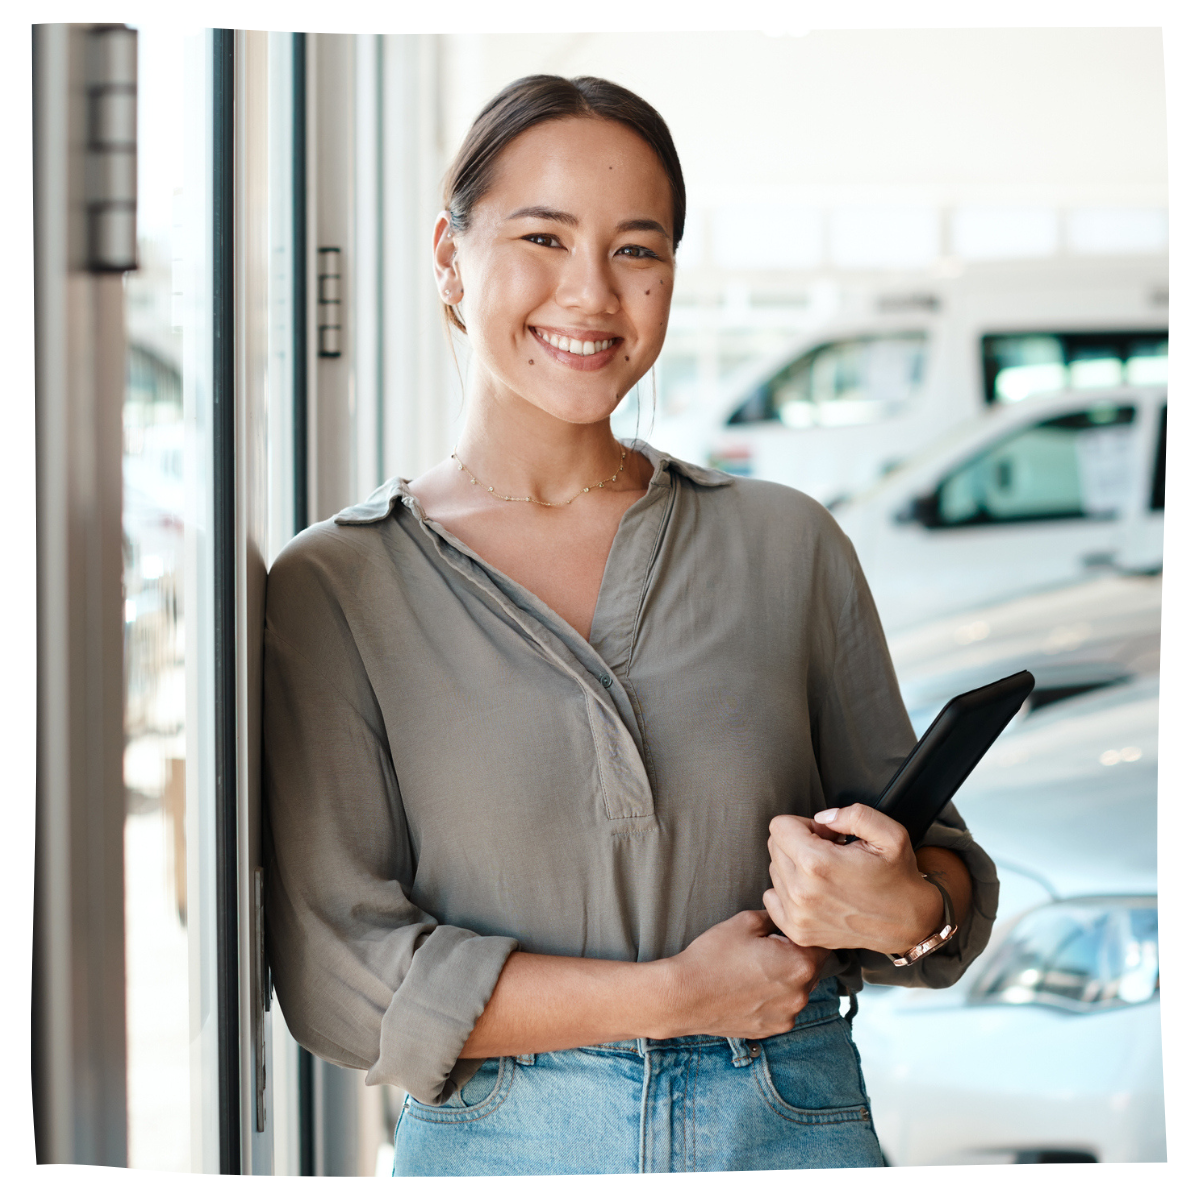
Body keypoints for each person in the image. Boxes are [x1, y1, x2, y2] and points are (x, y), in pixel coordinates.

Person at [264, 75, 998, 1175]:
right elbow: (344, 970)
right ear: (449, 256)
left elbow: (943, 877)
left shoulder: (787, 545)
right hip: (496, 1140)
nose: (591, 294)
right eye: (543, 237)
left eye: (637, 250)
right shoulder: (340, 583)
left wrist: (903, 910)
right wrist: (673, 998)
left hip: (788, 1120)